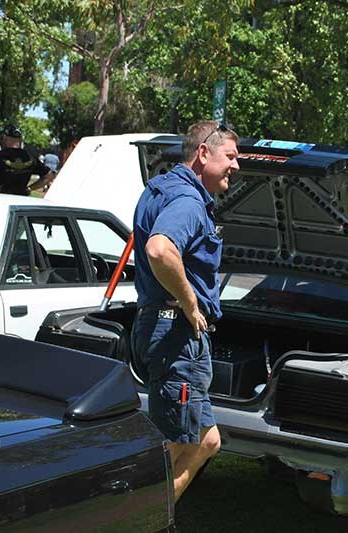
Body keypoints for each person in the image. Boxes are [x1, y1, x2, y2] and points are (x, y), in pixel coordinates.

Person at [130, 120, 239, 502]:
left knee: (207, 441)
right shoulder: (189, 202)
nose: (236, 166)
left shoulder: (159, 189)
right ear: (203, 153)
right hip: (177, 334)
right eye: (230, 156)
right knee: (172, 447)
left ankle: (156, 516)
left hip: (158, 327)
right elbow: (160, 249)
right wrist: (191, 304)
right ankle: (132, 520)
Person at [0, 124, 54, 194]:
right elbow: (49, 176)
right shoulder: (30, 157)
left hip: (1, 196)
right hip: (20, 199)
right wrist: (30, 188)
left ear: (4, 137)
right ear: (20, 139)